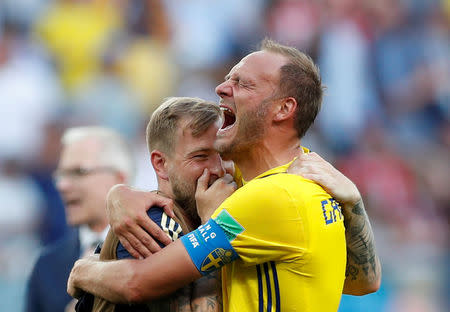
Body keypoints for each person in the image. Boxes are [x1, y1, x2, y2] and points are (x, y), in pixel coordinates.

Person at [68, 39, 381, 311]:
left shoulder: (271, 197)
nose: (220, 88)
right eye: (228, 78)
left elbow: (138, 283)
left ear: (284, 108)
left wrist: (82, 270)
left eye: (243, 83)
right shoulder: (308, 175)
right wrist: (118, 194)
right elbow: (364, 281)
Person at [83, 97, 230, 311]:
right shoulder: (153, 226)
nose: (218, 169)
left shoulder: (232, 205)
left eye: (224, 154)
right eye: (200, 157)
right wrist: (214, 226)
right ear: (161, 164)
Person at [26, 127, 135, 312]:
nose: (62, 185)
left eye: (78, 172)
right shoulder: (45, 266)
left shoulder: (155, 251)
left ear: (119, 179)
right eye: (60, 175)